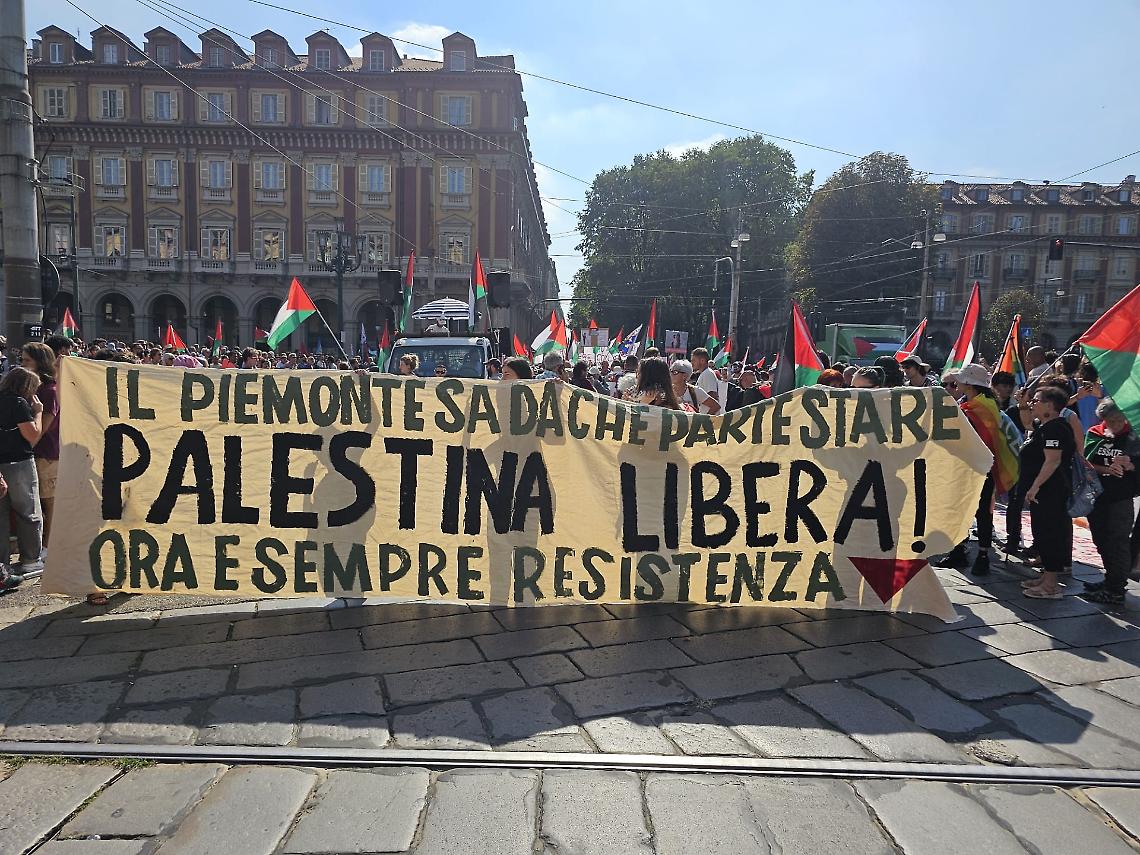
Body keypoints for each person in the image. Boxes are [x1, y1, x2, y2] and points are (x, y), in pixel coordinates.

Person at [948, 364, 1018, 575]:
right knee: (971, 510)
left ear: (968, 384)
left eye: (959, 380)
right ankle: (968, 551)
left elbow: (973, 437)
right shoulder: (977, 404)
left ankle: (979, 554)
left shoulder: (978, 408)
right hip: (973, 464)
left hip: (979, 466)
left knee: (979, 511)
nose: (956, 383)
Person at [1079, 398, 1139, 605]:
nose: (1115, 425)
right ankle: (1110, 578)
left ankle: (1116, 588)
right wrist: (1106, 469)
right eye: (1110, 421)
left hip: (1120, 498)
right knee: (1101, 540)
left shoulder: (1133, 436)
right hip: (1097, 496)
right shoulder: (1095, 433)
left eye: (1118, 420)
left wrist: (1130, 465)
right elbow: (1086, 463)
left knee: (1118, 542)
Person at [1020, 386, 1075, 599]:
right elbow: (1026, 421)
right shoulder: (1045, 426)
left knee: (1050, 533)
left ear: (1050, 407)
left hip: (1051, 491)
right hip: (1044, 491)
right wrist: (1024, 401)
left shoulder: (1056, 429)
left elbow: (1052, 461)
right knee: (1042, 532)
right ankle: (1046, 577)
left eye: (1037, 401)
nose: (1033, 404)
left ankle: (1051, 585)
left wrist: (1035, 486)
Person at [0, 367, 43, 579]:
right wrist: (38, 411)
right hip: (18, 462)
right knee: (28, 511)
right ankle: (31, 560)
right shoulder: (18, 403)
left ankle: (2, 565)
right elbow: (33, 436)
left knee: (1, 516)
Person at [22, 343, 57, 563]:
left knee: (49, 502)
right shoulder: (30, 387)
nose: (22, 364)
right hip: (32, 451)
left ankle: (48, 545)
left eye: (27, 361)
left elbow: (42, 428)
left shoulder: (49, 390)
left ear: (39, 362)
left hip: (47, 453)